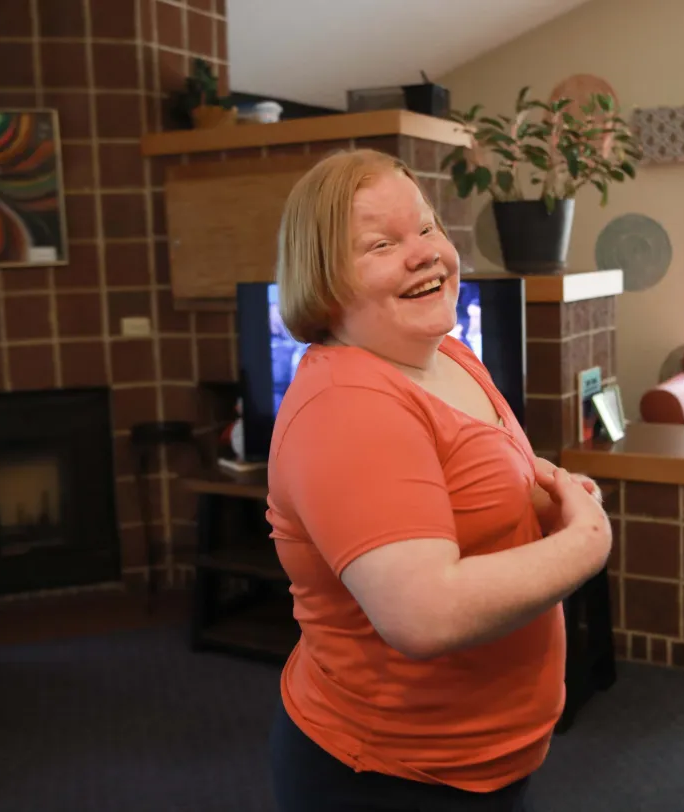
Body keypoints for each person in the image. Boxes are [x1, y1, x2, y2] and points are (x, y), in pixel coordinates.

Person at [265, 148, 613, 811]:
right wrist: (586, 542)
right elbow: (424, 614)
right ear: (324, 278)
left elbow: (477, 488)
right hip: (392, 777)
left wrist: (549, 501)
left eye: (426, 227)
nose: (425, 253)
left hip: (482, 759)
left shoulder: (445, 353)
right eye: (382, 244)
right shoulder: (347, 406)